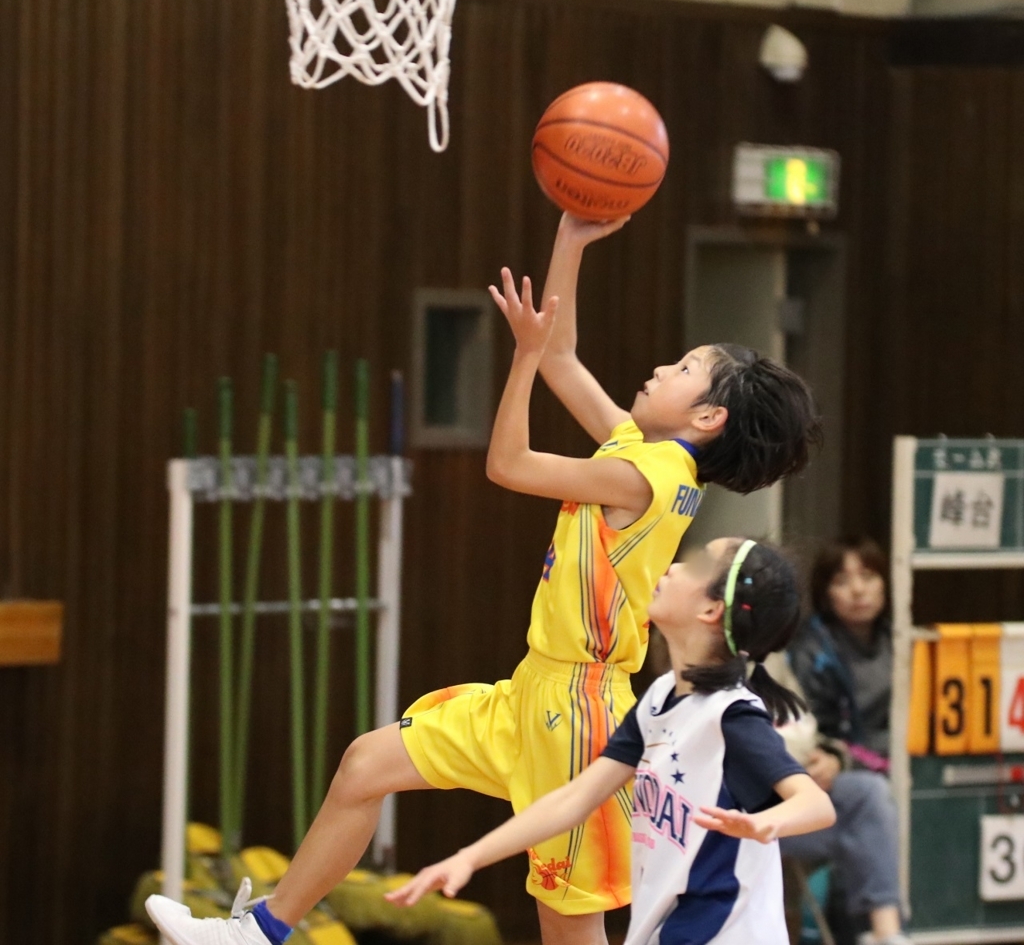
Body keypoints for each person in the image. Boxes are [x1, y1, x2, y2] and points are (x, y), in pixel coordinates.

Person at [147, 213, 821, 945]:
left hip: (577, 709)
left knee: (568, 927)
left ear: (709, 415)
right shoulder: (649, 453)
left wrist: (522, 358)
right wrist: (573, 237)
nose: (662, 369)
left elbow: (509, 463)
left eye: (684, 369)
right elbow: (564, 353)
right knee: (365, 765)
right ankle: (260, 932)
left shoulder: (647, 475)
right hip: (533, 690)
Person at [386, 538, 836, 945]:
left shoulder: (731, 718)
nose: (675, 566)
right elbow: (575, 799)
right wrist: (469, 857)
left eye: (696, 565)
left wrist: (767, 824)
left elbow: (815, 805)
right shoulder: (660, 699)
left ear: (711, 611)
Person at [785, 536, 906, 945]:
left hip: (892, 770)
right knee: (872, 797)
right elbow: (815, 740)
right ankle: (884, 933)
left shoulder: (900, 640)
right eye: (842, 580)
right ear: (824, 592)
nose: (858, 590)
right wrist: (838, 757)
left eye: (868, 576)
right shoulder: (810, 650)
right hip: (830, 784)